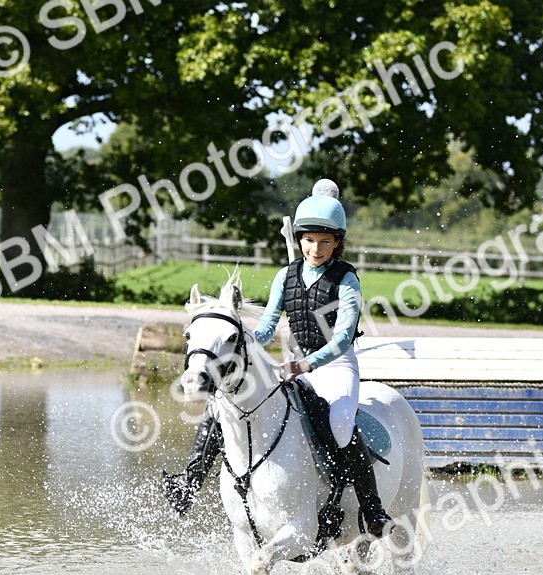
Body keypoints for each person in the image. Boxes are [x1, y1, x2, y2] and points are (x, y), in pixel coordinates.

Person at [161, 181, 394, 538]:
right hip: (291, 364)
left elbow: (344, 336)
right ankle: (189, 483)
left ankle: (372, 509)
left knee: (341, 425)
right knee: (221, 407)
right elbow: (268, 325)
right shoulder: (286, 276)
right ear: (300, 240)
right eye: (310, 240)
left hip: (335, 368)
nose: (316, 249)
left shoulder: (346, 279)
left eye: (325, 242)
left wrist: (305, 364)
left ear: (337, 243)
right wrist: (244, 343)